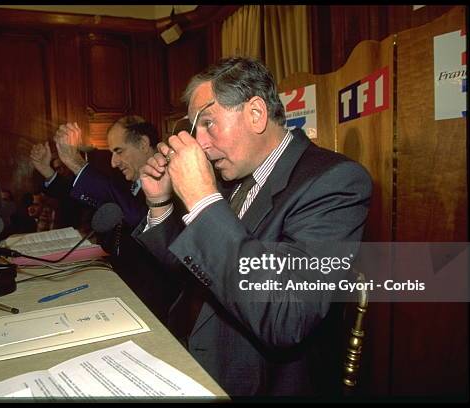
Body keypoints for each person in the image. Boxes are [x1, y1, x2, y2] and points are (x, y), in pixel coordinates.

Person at [135, 57, 373, 396]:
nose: (199, 143)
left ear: (256, 114)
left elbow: (286, 316)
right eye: (193, 129)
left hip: (256, 382)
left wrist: (203, 199)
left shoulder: (334, 182)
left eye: (208, 123)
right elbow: (189, 271)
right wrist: (160, 203)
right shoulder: (232, 175)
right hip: (188, 353)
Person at [29, 116, 180, 322]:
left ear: (144, 144)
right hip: (117, 285)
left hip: (151, 305)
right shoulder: (128, 180)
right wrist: (48, 172)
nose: (113, 162)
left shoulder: (173, 180)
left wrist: (75, 161)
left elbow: (139, 217)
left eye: (119, 151)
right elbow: (83, 199)